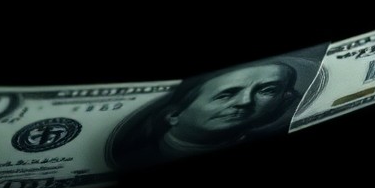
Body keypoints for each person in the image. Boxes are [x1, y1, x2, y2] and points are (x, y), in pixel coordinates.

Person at [110, 61, 301, 169]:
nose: (245, 101)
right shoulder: (133, 163)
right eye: (226, 94)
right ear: (173, 115)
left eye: (267, 90)